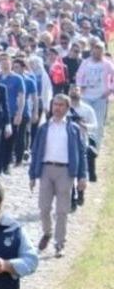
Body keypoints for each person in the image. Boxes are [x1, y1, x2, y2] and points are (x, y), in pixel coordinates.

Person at [28, 94, 88, 257]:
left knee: (62, 210)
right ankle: (47, 232)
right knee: (44, 208)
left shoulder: (73, 129)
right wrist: (32, 175)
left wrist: (82, 176)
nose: (57, 108)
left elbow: (81, 152)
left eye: (62, 105)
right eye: (55, 104)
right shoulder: (44, 128)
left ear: (67, 109)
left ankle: (59, 242)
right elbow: (35, 151)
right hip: (46, 170)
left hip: (65, 172)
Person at [73, 40, 114, 146]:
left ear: (103, 52)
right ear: (92, 51)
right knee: (85, 119)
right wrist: (79, 86)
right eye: (95, 50)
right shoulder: (86, 62)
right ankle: (86, 142)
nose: (97, 53)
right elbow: (79, 75)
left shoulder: (107, 64)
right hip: (86, 96)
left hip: (100, 97)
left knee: (98, 121)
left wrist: (110, 90)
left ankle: (96, 144)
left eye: (100, 51)